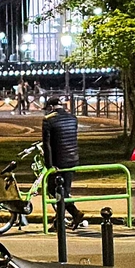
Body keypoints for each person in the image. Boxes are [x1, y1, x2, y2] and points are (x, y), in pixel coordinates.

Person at [41, 97, 83, 229]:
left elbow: (47, 145)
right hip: (73, 159)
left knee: (53, 189)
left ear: (51, 107)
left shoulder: (48, 121)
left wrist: (49, 166)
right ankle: (58, 222)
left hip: (59, 162)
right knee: (65, 191)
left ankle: (75, 213)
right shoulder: (73, 118)